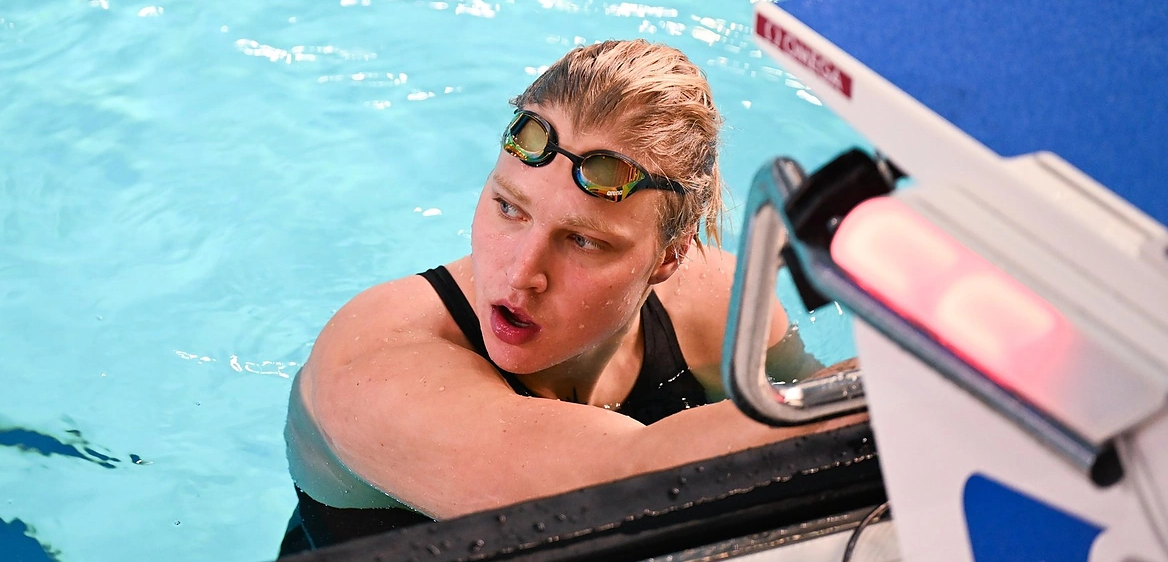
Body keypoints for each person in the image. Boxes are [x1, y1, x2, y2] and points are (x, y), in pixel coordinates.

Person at [279, 39, 864, 554]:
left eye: (583, 240)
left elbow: (813, 411)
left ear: (669, 256)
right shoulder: (373, 364)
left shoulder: (715, 304)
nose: (521, 272)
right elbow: (625, 486)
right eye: (510, 207)